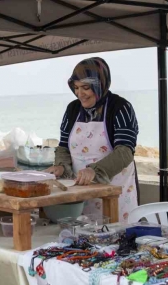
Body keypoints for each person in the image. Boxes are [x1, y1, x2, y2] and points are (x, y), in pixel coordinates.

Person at [45, 57, 139, 222]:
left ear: (100, 84)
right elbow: (63, 147)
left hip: (115, 193)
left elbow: (125, 151)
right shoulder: (73, 109)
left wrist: (95, 170)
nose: (80, 94)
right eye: (76, 88)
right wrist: (61, 166)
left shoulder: (120, 108)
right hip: (80, 192)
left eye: (85, 88)